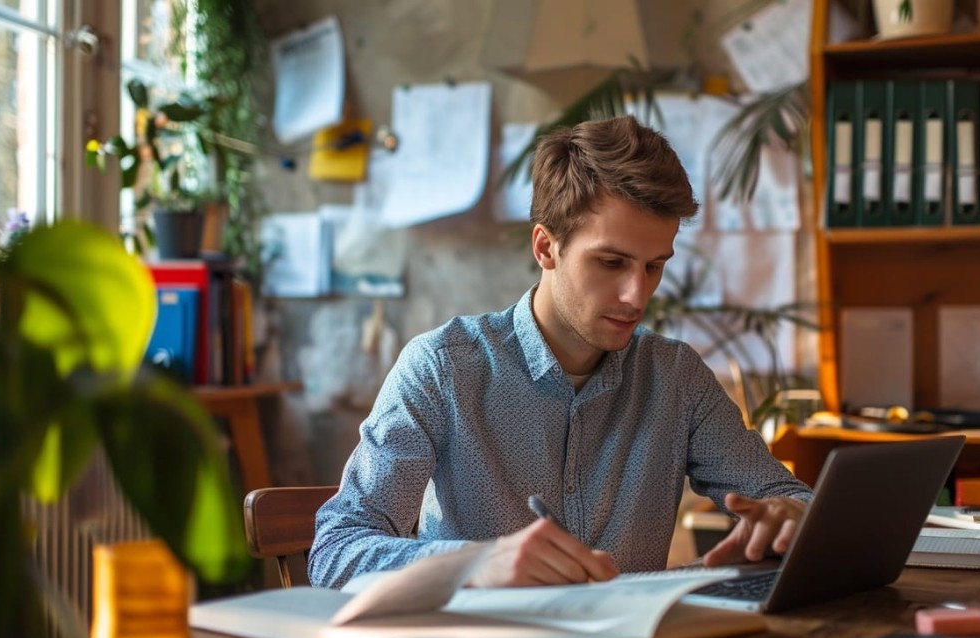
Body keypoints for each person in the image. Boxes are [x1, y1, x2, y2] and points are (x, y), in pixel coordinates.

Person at [309, 115, 813, 589]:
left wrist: (790, 517)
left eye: (654, 266)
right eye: (611, 262)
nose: (637, 295)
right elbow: (334, 552)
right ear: (545, 248)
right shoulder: (443, 368)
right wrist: (476, 563)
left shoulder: (676, 378)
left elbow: (788, 500)